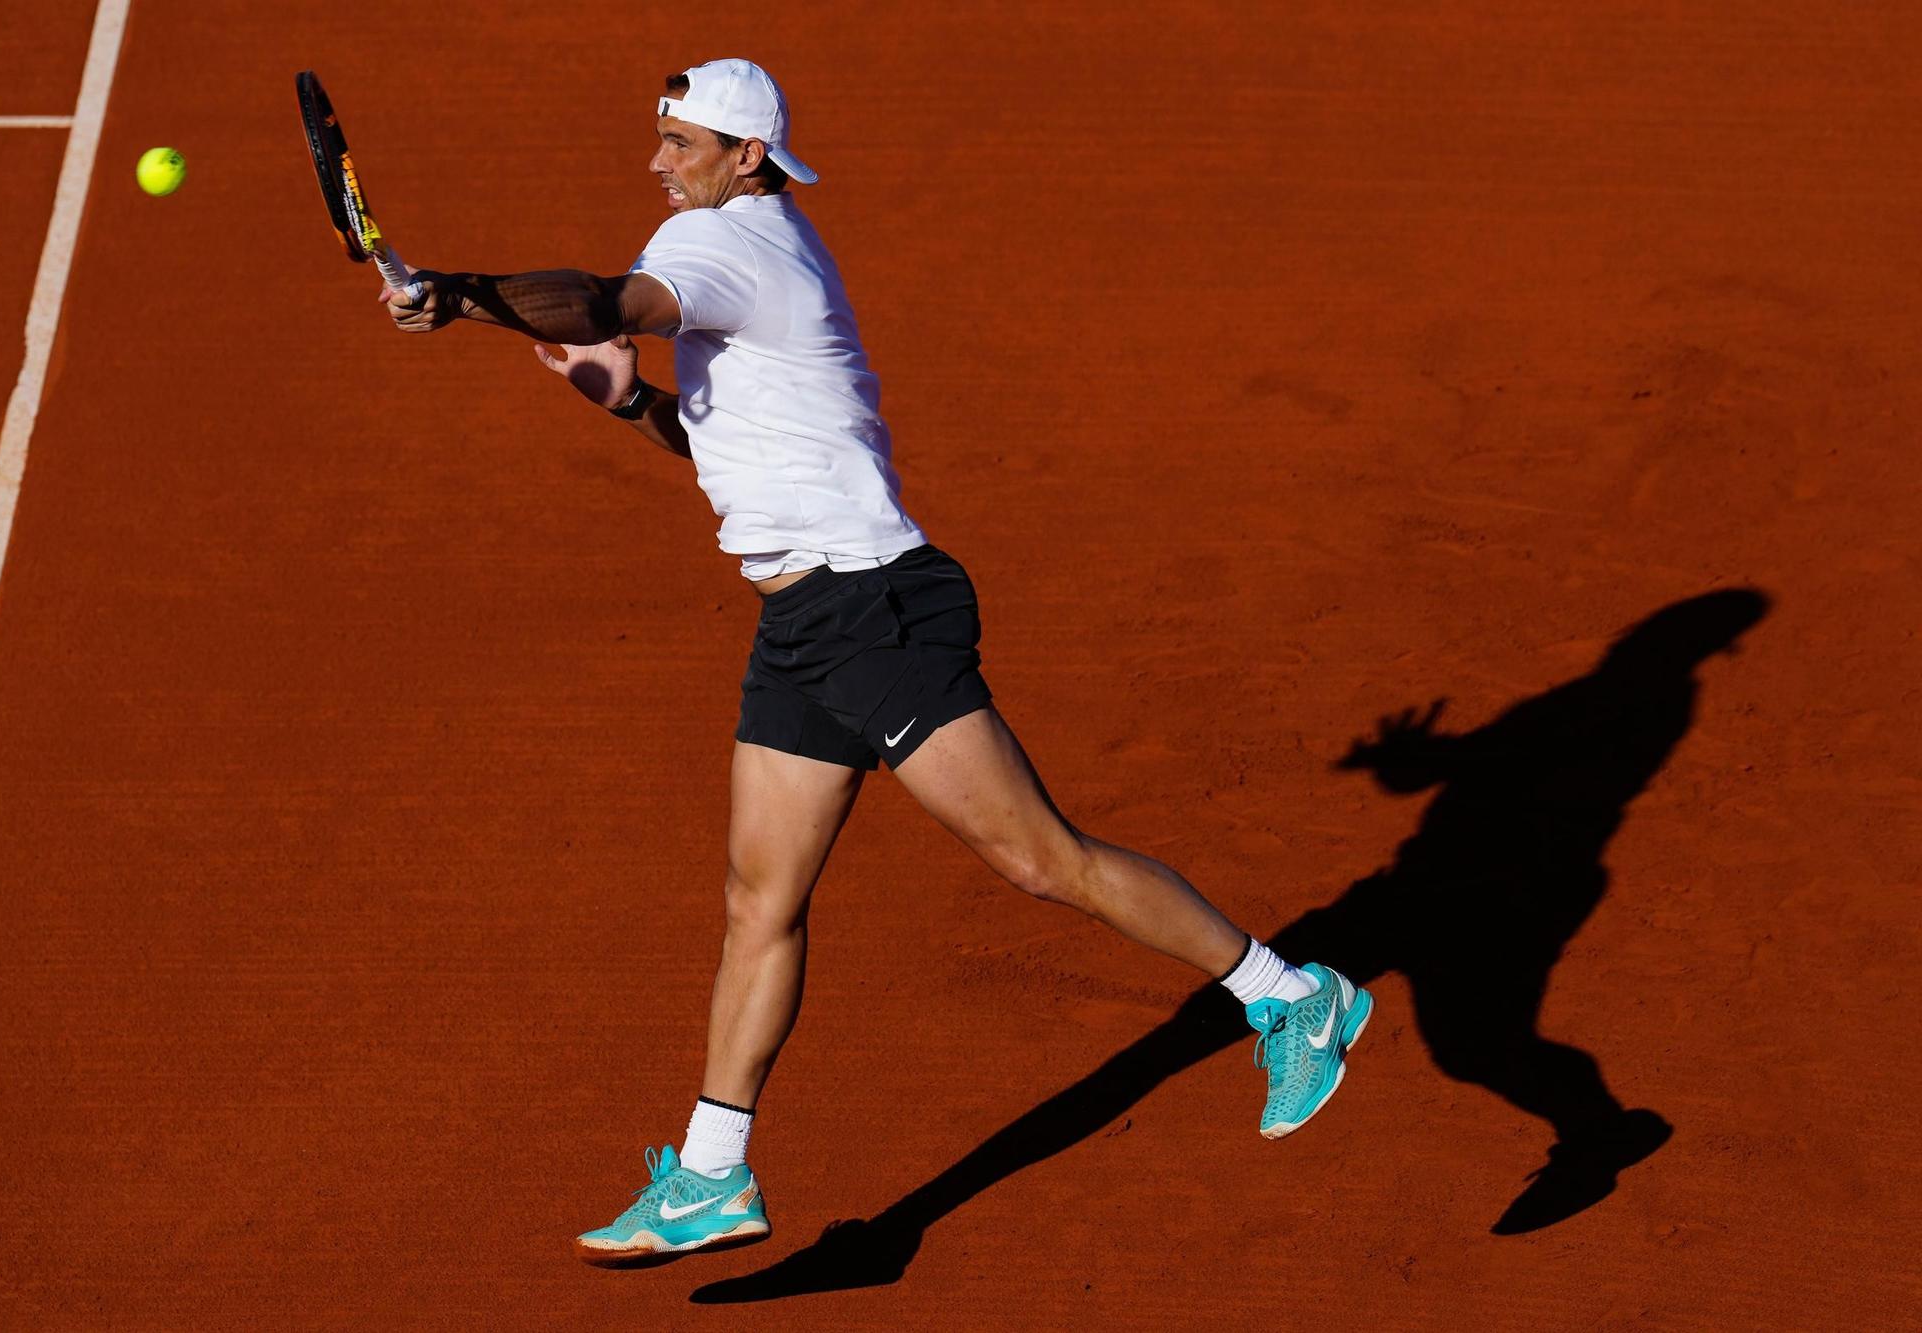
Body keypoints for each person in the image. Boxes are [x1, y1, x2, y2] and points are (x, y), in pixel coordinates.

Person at [381, 57, 1372, 1266]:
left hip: (874, 612)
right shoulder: (717, 238)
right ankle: (710, 1174)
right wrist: (617, 403)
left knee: (1036, 858)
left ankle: (1287, 993)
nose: (657, 159)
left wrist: (462, 294)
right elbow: (726, 454)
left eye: (681, 142)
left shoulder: (732, 246)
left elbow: (597, 299)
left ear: (746, 156)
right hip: (802, 625)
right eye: (659, 138)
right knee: (760, 899)